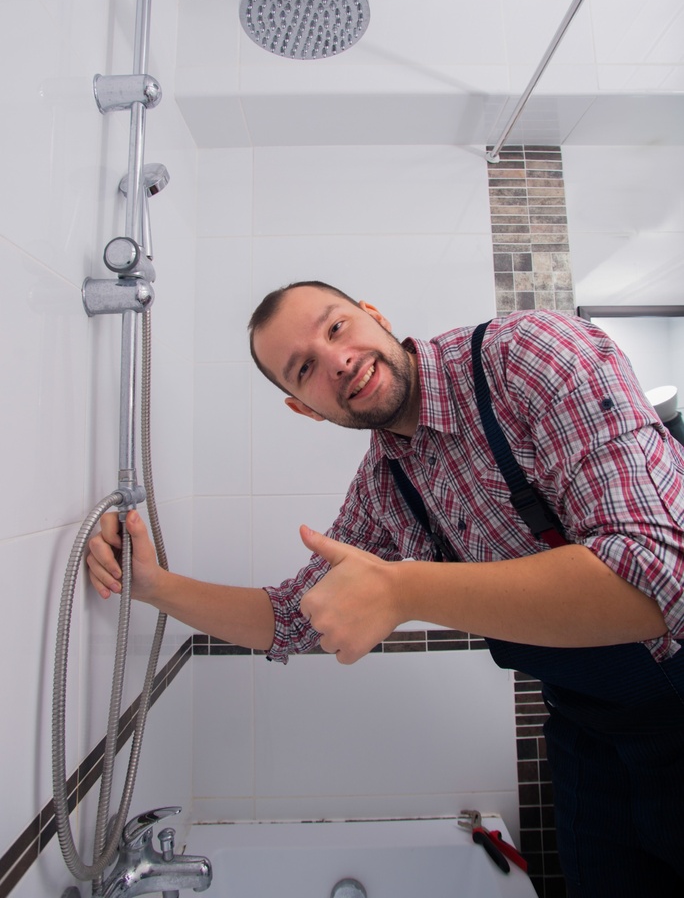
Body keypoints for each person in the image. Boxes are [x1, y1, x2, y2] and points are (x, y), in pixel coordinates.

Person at [87, 281, 684, 898]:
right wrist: (155, 586)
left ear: (373, 315)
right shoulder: (383, 488)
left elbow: (658, 576)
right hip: (588, 730)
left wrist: (404, 590)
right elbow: (290, 619)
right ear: (305, 409)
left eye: (337, 328)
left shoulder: (528, 356)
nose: (338, 361)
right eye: (305, 368)